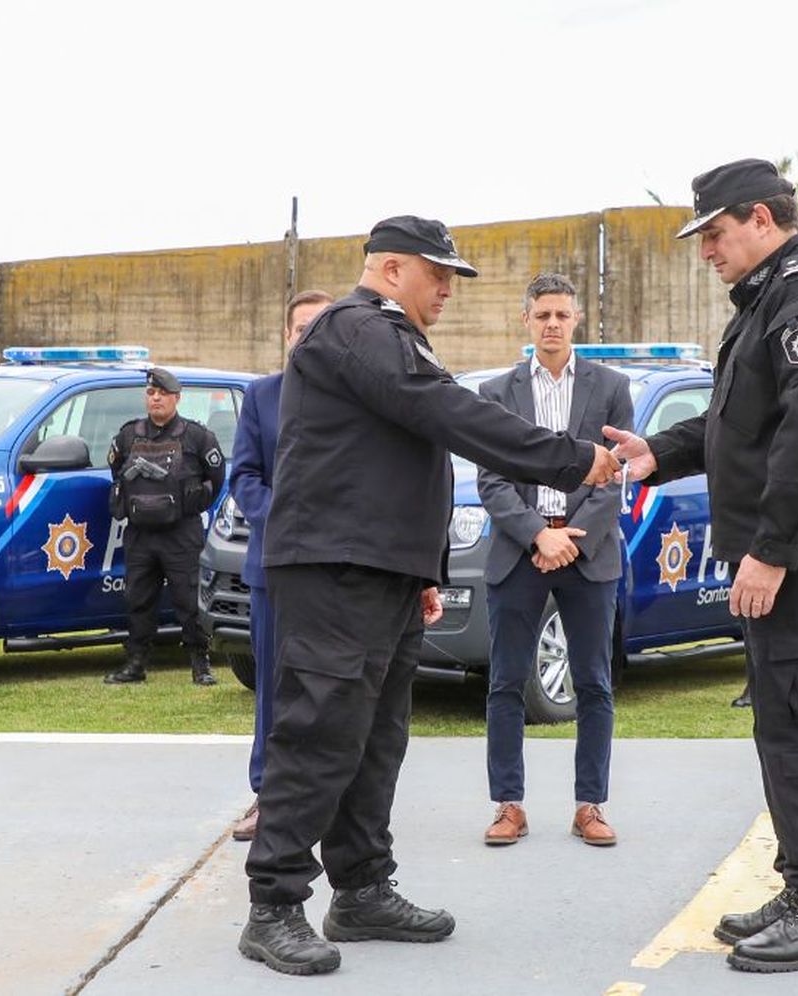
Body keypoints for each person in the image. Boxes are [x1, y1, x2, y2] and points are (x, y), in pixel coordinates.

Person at [238, 216, 619, 977]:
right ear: (388, 269)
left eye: (451, 275)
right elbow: (448, 415)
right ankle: (273, 904)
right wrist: (573, 459)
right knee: (319, 733)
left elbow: (395, 462)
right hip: (334, 570)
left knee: (375, 740)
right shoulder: (358, 329)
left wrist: (420, 572)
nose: (447, 288)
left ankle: (363, 889)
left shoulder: (388, 337)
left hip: (379, 572)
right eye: (436, 273)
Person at [606, 159, 798, 975]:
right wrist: (658, 450)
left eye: (715, 233)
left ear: (761, 219)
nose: (706, 251)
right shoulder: (770, 301)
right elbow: (740, 426)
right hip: (797, 564)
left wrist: (770, 551)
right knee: (785, 728)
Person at [476, 273, 633, 848]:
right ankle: (508, 805)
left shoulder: (611, 388)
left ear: (576, 321)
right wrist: (538, 537)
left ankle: (590, 805)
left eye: (561, 315)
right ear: (526, 321)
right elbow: (491, 480)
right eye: (542, 315)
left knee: (594, 683)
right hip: (519, 553)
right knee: (506, 684)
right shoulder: (496, 394)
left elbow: (615, 476)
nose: (552, 325)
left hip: (589, 554)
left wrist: (571, 536)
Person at [228, 289, 334, 842]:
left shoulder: (352, 399)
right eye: (300, 328)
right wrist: (283, 520)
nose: (308, 336)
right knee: (274, 686)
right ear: (286, 336)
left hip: (336, 573)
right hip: (273, 568)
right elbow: (243, 477)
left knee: (330, 689)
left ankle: (327, 798)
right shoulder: (261, 396)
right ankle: (267, 795)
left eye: (320, 327)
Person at [103, 367, 226, 686]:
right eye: (150, 393)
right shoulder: (129, 435)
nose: (155, 398)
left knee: (189, 600)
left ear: (176, 398)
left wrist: (194, 503)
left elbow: (216, 477)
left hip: (181, 533)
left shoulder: (197, 437)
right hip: (140, 533)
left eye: (162, 394)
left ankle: (200, 665)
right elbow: (116, 468)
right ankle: (135, 663)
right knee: (138, 599)